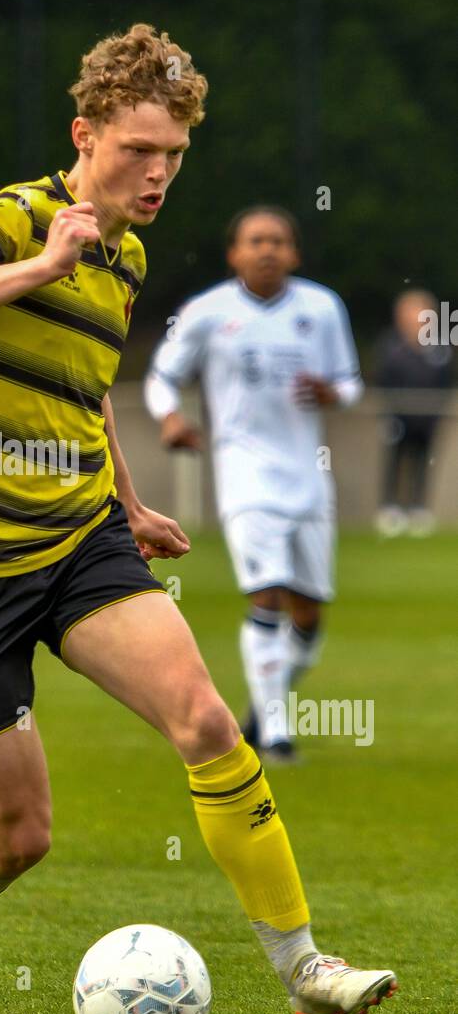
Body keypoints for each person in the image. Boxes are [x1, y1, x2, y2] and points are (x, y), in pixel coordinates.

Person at [0, 25, 395, 1014]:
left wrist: (130, 497)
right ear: (85, 134)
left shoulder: (127, 255)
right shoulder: (23, 219)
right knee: (17, 834)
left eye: (173, 156)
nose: (156, 174)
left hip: (76, 540)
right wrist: (38, 264)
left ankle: (302, 967)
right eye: (137, 151)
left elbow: (86, 386)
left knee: (203, 720)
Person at [144, 207, 363, 763]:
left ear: (294, 253)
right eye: (255, 241)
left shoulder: (322, 307)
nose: (267, 250)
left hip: (309, 478)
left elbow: (352, 382)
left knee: (308, 612)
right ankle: (277, 737)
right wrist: (170, 418)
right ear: (234, 253)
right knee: (266, 596)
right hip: (245, 476)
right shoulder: (208, 312)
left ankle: (267, 710)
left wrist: (334, 393)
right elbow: (162, 375)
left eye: (278, 241)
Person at [373, 289, 452, 538]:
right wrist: (387, 414)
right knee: (395, 461)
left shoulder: (439, 349)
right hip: (398, 417)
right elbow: (382, 381)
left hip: (427, 419)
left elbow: (445, 382)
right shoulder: (390, 347)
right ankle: (390, 508)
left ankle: (419, 509)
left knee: (424, 462)